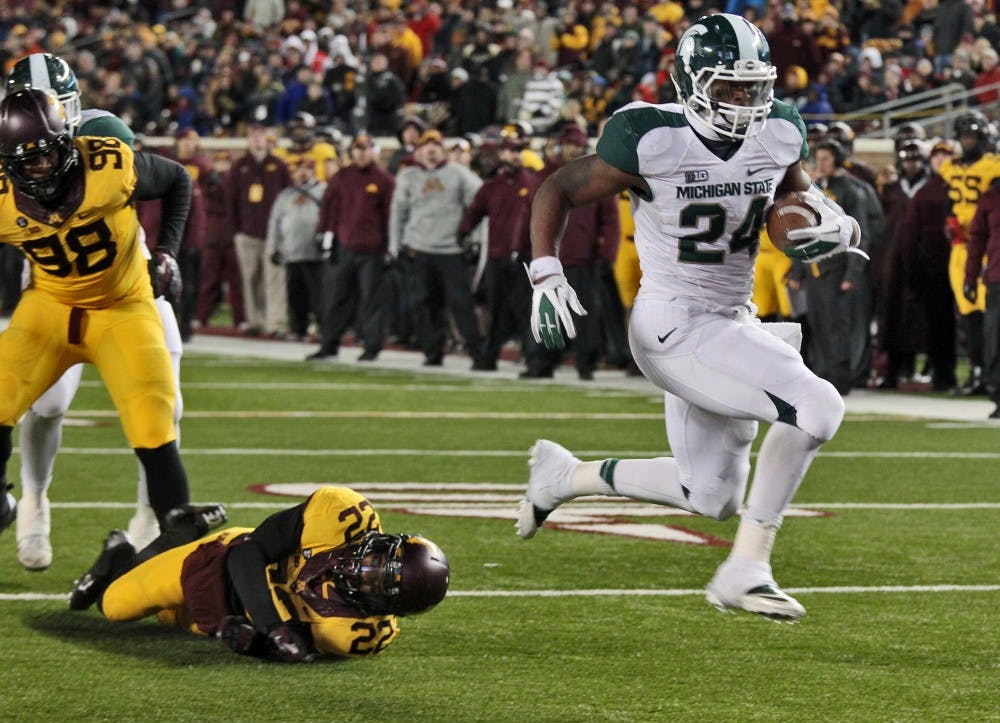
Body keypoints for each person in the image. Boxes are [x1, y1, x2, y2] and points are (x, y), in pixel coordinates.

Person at [516, 14, 861, 622]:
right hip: (672, 322)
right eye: (729, 86)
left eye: (754, 86)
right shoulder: (651, 137)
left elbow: (792, 200)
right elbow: (559, 188)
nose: (744, 99)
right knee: (818, 406)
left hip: (731, 318)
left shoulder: (779, 129)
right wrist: (546, 272)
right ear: (691, 80)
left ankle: (565, 476)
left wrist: (826, 220)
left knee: (711, 494)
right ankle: (747, 568)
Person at [4, 53, 188, 568]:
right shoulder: (12, 145)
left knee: (164, 409)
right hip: (53, 282)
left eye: (59, 109)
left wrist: (166, 254)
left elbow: (161, 183)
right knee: (45, 405)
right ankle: (34, 502)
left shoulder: (105, 135)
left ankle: (152, 517)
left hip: (127, 277)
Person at [69, 486, 449, 663]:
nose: (364, 569)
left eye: (376, 581)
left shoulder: (358, 632)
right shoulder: (343, 515)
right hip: (219, 564)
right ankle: (126, 550)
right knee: (114, 605)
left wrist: (257, 644)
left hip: (228, 615)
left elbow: (290, 651)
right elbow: (248, 555)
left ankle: (182, 529)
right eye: (377, 559)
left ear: (388, 607)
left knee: (166, 616)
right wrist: (274, 626)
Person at [389, 129, 486, 368]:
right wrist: (395, 245)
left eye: (436, 145)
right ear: (419, 150)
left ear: (442, 149)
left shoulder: (459, 174)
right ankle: (432, 350)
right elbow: (397, 213)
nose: (431, 149)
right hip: (419, 248)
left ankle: (477, 351)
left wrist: (475, 239)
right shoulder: (408, 176)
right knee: (422, 303)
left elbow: (481, 204)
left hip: (451, 250)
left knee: (460, 303)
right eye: (426, 145)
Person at [788, 139, 875, 394]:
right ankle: (823, 378)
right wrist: (797, 270)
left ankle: (840, 379)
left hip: (837, 269)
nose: (821, 164)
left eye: (826, 159)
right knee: (818, 324)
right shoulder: (815, 189)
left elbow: (861, 233)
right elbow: (803, 232)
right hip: (815, 269)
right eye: (819, 159)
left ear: (837, 160)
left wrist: (853, 273)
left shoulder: (850, 191)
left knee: (838, 327)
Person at [309, 134, 395, 362]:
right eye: (358, 149)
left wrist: (390, 248)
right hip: (344, 246)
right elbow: (328, 207)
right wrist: (323, 233)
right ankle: (329, 345)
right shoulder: (342, 177)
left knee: (371, 300)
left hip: (373, 250)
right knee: (337, 299)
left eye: (366, 149)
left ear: (374, 152)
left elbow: (390, 217)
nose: (361, 153)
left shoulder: (384, 180)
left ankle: (371, 346)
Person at [939, 111, 1000, 395]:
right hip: (961, 248)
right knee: (968, 313)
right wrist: (950, 222)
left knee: (990, 313)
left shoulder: (993, 166)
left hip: (987, 245)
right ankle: (978, 371)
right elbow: (950, 204)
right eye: (964, 136)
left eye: (972, 136)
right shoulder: (950, 168)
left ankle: (989, 374)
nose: (967, 141)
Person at [899, 140, 958, 393]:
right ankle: (943, 373)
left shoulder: (960, 186)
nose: (941, 160)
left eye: (946, 155)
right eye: (937, 156)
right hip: (935, 267)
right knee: (939, 323)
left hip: (964, 262)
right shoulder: (926, 191)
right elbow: (911, 234)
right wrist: (913, 267)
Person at [230, 123, 292, 338]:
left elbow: (288, 199)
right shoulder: (239, 167)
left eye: (261, 136)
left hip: (274, 234)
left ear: (268, 139)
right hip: (246, 232)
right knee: (250, 279)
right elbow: (231, 201)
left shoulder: (279, 166)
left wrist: (285, 230)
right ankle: (254, 320)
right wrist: (236, 230)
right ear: (248, 139)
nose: (257, 139)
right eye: (254, 135)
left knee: (275, 279)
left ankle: (275, 323)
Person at [265, 158, 326, 342]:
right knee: (295, 295)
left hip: (316, 253)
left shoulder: (324, 191)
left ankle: (323, 328)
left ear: (314, 171)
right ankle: (298, 328)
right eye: (299, 170)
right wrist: (273, 247)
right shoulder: (286, 195)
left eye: (306, 169)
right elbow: (274, 222)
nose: (302, 173)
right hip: (291, 253)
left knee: (319, 295)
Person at [964, 176, 1000, 418]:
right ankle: (998, 395)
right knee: (995, 341)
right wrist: (970, 276)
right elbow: (976, 239)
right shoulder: (991, 197)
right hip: (997, 279)